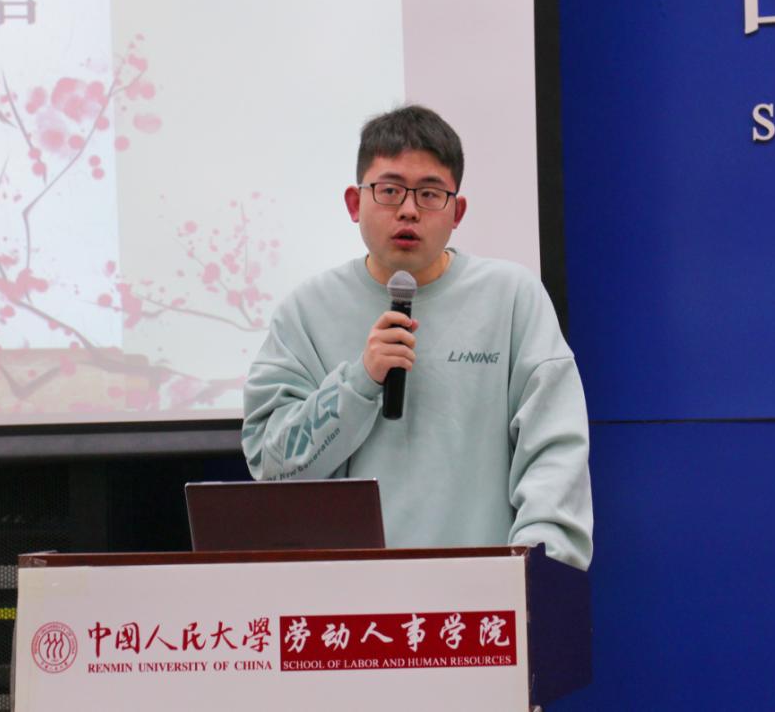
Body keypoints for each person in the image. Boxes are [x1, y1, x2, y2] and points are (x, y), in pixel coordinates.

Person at [241, 105, 593, 570]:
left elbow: (555, 449)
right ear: (354, 203)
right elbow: (272, 467)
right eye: (389, 190)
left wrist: (533, 567)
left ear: (457, 211)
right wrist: (359, 382)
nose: (408, 210)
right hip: (352, 597)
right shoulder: (305, 312)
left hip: (485, 589)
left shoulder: (511, 298)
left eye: (430, 194)